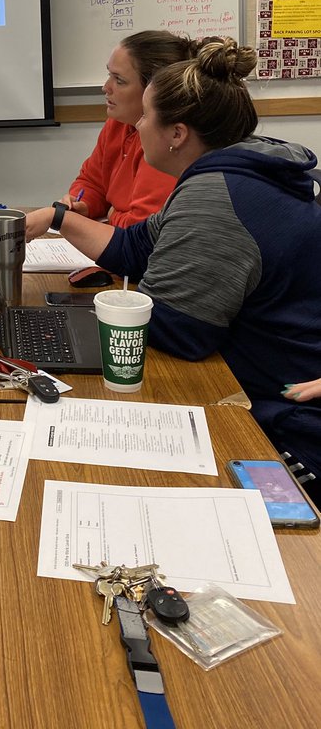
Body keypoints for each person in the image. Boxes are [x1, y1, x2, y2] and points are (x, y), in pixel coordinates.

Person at [45, 37, 321, 480]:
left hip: (288, 423)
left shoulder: (218, 197)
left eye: (148, 116)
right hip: (262, 391)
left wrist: (64, 328)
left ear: (177, 134)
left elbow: (181, 331)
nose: (136, 128)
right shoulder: (224, 173)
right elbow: (134, 249)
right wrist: (59, 218)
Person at [25, 30, 199, 241]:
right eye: (109, 75)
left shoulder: (167, 142)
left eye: (119, 80)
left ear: (155, 90)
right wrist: (84, 204)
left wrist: (111, 214)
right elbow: (91, 181)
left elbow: (141, 228)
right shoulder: (118, 124)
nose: (105, 87)